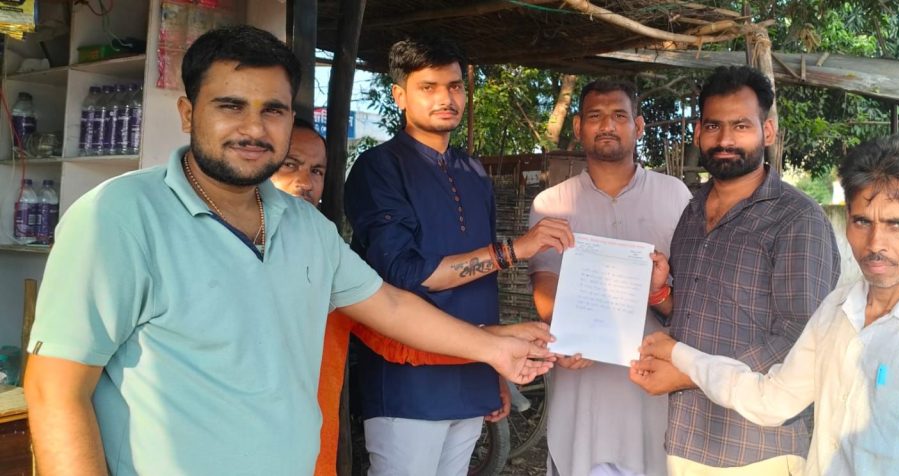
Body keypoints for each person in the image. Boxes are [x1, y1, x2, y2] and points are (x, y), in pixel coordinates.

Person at [22, 25, 554, 476]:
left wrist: (494, 348)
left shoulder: (306, 227)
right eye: (231, 106)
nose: (254, 128)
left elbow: (390, 305)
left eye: (273, 110)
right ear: (187, 112)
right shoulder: (118, 217)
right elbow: (56, 392)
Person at [639, 135, 899, 475]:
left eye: (897, 225)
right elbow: (771, 399)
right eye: (862, 221)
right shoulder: (837, 311)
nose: (875, 243)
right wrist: (681, 355)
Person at [343, 36, 574, 476]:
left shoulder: (473, 171)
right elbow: (404, 273)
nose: (445, 98)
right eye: (428, 87)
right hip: (409, 382)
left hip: (472, 375)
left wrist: (495, 370)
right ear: (399, 95)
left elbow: (484, 284)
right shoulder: (379, 167)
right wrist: (514, 250)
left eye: (454, 86)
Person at [629, 65, 840, 475]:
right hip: (687, 436)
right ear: (698, 134)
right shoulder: (692, 212)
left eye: (741, 125)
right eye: (713, 126)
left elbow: (798, 338)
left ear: (768, 132)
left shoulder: (797, 219)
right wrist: (659, 293)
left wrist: (686, 374)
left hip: (759, 448)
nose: (725, 139)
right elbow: (694, 314)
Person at [528, 79, 692, 476]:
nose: (607, 125)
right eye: (596, 116)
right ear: (578, 127)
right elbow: (545, 283)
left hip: (654, 388)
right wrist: (566, 336)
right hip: (581, 389)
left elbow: (692, 295)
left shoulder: (676, 197)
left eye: (619, 115)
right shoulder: (551, 203)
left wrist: (658, 292)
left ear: (639, 126)